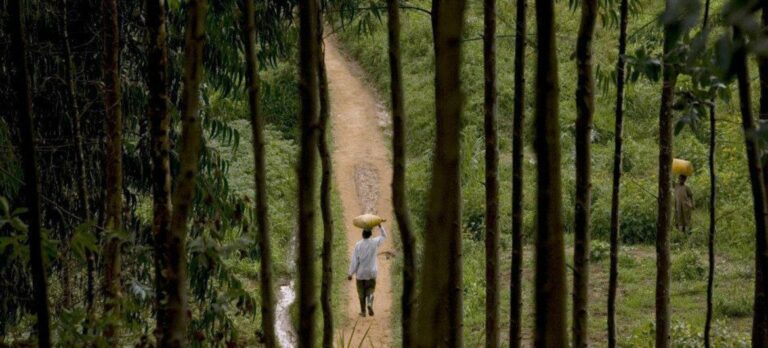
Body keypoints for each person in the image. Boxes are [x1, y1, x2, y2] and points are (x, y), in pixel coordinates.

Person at [347, 224, 387, 317]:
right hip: (372, 272)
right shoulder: (374, 242)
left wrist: (350, 273)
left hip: (361, 274)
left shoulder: (358, 245)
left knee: (361, 292)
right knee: (370, 289)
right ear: (370, 234)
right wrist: (380, 226)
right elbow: (384, 236)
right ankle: (369, 302)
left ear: (363, 234)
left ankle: (363, 312)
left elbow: (355, 261)